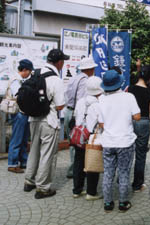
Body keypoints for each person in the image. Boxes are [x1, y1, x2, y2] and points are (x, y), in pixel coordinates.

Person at [24, 49, 68, 199]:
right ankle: (43, 188)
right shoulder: (56, 79)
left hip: (33, 119)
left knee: (34, 150)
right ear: (59, 62)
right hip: (49, 120)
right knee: (47, 154)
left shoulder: (35, 73)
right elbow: (60, 105)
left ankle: (29, 181)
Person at [98, 70, 141, 213]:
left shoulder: (102, 99)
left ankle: (108, 203)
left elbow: (101, 124)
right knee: (124, 172)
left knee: (108, 173)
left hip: (108, 142)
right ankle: (123, 203)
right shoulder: (129, 97)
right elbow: (137, 117)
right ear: (119, 82)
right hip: (125, 141)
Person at [65, 56, 97, 179]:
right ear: (89, 69)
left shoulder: (75, 78)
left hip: (69, 111)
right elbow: (82, 101)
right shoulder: (85, 80)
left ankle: (74, 170)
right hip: (76, 114)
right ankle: (76, 171)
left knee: (73, 142)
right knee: (79, 143)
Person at [72, 76, 103, 200]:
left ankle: (77, 190)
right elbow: (101, 122)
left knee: (78, 162)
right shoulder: (99, 104)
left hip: (79, 136)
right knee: (92, 162)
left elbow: (75, 116)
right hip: (92, 137)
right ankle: (91, 192)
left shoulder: (80, 101)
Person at [128, 66, 150, 192]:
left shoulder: (131, 89)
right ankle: (137, 184)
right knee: (140, 155)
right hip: (143, 122)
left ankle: (121, 178)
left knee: (127, 152)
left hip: (129, 121)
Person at [7, 59, 34, 173]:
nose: (30, 73)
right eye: (29, 71)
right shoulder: (15, 80)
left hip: (23, 112)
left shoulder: (20, 80)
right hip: (18, 113)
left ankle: (23, 161)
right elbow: (19, 97)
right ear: (24, 70)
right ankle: (12, 163)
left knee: (23, 138)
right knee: (17, 138)